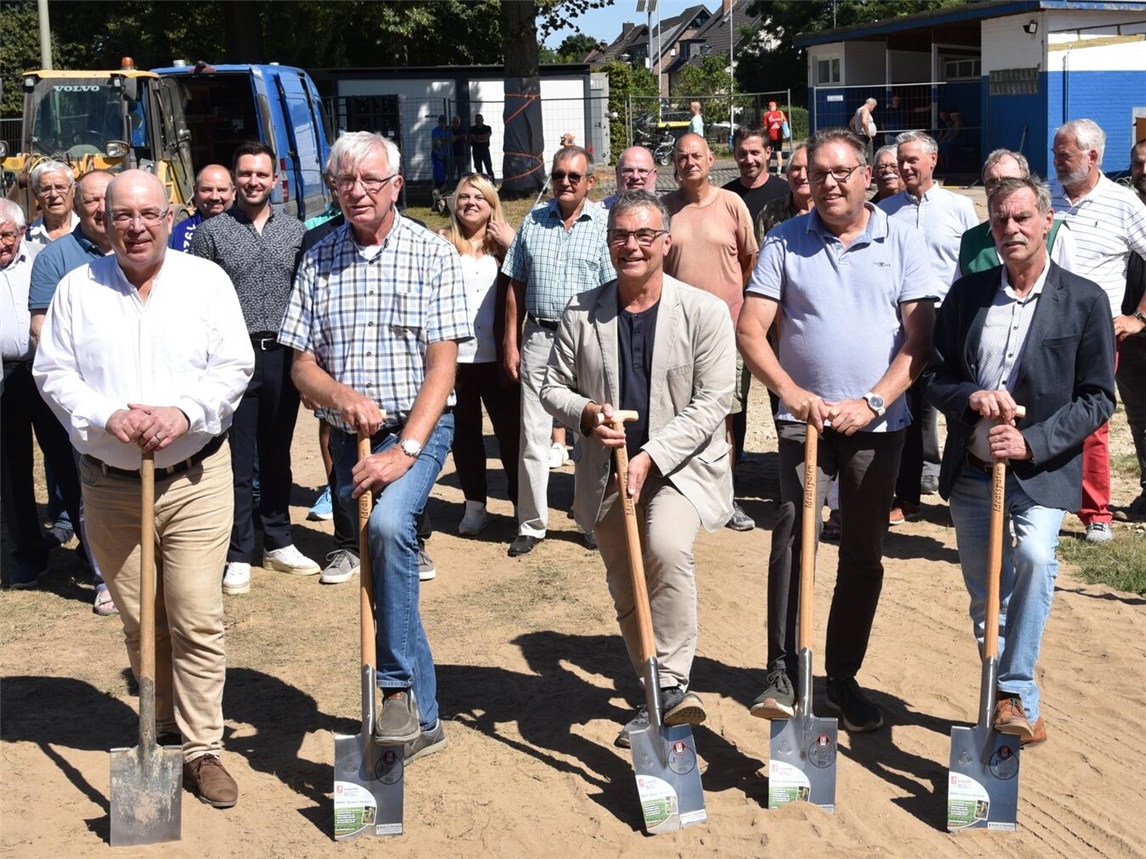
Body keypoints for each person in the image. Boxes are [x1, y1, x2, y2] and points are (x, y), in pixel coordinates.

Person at [33, 169, 254, 807]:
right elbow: (54, 374)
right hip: (109, 484)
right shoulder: (79, 289)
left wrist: (183, 412)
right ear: (103, 220)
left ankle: (205, 747)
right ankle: (158, 732)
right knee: (139, 615)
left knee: (195, 612)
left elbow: (234, 365)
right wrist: (109, 416)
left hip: (194, 476)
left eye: (148, 214)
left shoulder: (204, 282)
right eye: (121, 215)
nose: (135, 226)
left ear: (169, 215)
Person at [737, 127, 937, 731]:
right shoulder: (783, 240)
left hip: (879, 425)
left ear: (866, 177)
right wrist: (791, 394)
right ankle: (782, 669)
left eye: (841, 172)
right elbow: (751, 330)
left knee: (863, 553)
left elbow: (920, 338)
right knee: (794, 536)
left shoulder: (901, 241)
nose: (829, 183)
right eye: (818, 172)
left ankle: (842, 679)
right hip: (806, 425)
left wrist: (874, 401)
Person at [280, 131, 470, 761]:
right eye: (343, 182)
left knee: (389, 529)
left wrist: (405, 449)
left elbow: (443, 370)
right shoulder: (318, 257)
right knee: (385, 570)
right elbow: (301, 365)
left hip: (416, 427)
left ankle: (393, 690)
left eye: (369, 180)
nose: (356, 192)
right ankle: (429, 717)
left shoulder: (431, 254)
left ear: (396, 186)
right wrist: (340, 399)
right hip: (347, 436)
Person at [923, 175, 1116, 748]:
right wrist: (971, 398)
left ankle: (1011, 688)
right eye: (1001, 220)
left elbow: (1099, 397)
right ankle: (1009, 697)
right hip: (974, 470)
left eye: (1021, 218)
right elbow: (936, 375)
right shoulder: (967, 295)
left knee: (1033, 556)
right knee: (987, 594)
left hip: (1042, 469)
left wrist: (1032, 442)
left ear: (1047, 220)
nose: (1010, 229)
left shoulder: (1085, 301)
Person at [539, 190, 735, 747]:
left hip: (680, 467)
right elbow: (551, 387)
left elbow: (714, 399)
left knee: (666, 548)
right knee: (626, 583)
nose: (633, 246)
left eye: (645, 236)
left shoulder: (704, 311)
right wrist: (587, 415)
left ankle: (671, 688)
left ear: (666, 243)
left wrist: (652, 456)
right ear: (608, 244)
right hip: (607, 469)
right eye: (622, 236)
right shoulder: (583, 311)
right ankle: (653, 691)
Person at [190, 141, 318, 594]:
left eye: (261, 174)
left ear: (275, 179)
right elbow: (197, 304)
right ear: (235, 176)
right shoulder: (211, 233)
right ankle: (239, 551)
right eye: (245, 174)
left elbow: (306, 296)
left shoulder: (295, 231)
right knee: (239, 458)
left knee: (277, 451)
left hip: (282, 354)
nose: (253, 182)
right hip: (234, 357)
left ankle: (279, 539)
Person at [502, 145, 614, 557]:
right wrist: (510, 342)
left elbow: (613, 291)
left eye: (573, 176)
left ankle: (587, 519)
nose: (565, 182)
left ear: (589, 182)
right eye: (559, 175)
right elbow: (514, 284)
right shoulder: (532, 221)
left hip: (588, 339)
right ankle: (531, 523)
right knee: (532, 433)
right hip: (539, 337)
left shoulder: (603, 226)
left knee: (589, 434)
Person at [1050, 119, 1146, 543]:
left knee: (1093, 422)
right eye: (1054, 153)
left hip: (1097, 333)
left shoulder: (1123, 204)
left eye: (1063, 154)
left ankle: (1096, 512)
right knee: (1040, 414)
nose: (1056, 161)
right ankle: (1044, 502)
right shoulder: (1046, 198)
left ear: (1092, 157)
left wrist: (1139, 317)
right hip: (1041, 330)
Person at [27, 169, 116, 615]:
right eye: (93, 200)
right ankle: (105, 579)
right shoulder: (55, 258)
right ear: (77, 206)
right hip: (86, 397)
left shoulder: (137, 245)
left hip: (139, 393)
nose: (102, 208)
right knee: (92, 486)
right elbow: (40, 326)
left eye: (108, 198)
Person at [880, 131, 978, 523]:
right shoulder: (885, 210)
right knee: (909, 407)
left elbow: (973, 265)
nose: (905, 167)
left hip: (951, 321)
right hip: (905, 322)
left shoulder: (959, 207)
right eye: (900, 160)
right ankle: (907, 496)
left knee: (957, 406)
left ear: (933, 160)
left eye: (912, 160)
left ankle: (959, 493)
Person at [662, 132, 758, 532]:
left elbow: (749, 260)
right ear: (674, 164)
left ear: (711, 158)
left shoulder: (731, 204)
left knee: (725, 417)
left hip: (727, 332)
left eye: (696, 155)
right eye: (681, 157)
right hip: (676, 332)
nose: (689, 162)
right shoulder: (665, 208)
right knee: (678, 413)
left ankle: (725, 498)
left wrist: (727, 306)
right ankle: (681, 493)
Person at [442, 173, 520, 536]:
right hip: (455, 361)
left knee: (509, 433)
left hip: (499, 359)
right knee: (465, 434)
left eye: (479, 197)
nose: (471, 203)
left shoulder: (504, 247)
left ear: (492, 205)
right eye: (464, 197)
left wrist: (513, 245)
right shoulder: (442, 244)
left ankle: (522, 504)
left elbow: (530, 279)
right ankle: (475, 505)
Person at [958, 149, 1076, 278]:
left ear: (1027, 182)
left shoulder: (1057, 234)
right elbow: (960, 295)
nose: (1000, 187)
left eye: (1009, 181)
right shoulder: (971, 240)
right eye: (992, 182)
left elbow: (1069, 290)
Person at [1116, 139, 1146, 520]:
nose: (1144, 170)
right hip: (1129, 334)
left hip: (1136, 321)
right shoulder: (1126, 207)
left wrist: (1140, 315)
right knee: (1139, 418)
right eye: (1138, 163)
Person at [722, 127, 788, 224]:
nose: (749, 160)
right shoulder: (724, 197)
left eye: (755, 153)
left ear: (768, 153)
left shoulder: (787, 194)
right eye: (742, 154)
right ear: (735, 155)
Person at [169, 164, 235, 252]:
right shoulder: (176, 234)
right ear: (195, 192)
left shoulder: (249, 230)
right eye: (207, 190)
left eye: (221, 190)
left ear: (233, 193)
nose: (214, 197)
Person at [24, 160, 79, 246]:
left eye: (60, 187)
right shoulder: (25, 238)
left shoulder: (90, 233)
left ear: (74, 190)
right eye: (46, 189)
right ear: (35, 194)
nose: (53, 194)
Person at [849, 98, 878, 164]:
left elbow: (851, 123)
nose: (872, 110)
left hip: (860, 136)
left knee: (862, 154)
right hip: (865, 137)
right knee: (869, 156)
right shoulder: (865, 110)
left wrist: (855, 132)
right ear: (871, 105)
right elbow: (864, 122)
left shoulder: (858, 111)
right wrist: (868, 135)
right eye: (873, 107)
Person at [762, 100, 788, 174]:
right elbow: (785, 123)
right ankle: (778, 171)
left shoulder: (766, 115)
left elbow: (764, 127)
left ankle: (766, 171)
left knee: (768, 154)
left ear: (769, 107)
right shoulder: (780, 114)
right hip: (778, 137)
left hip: (769, 137)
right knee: (779, 154)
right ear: (775, 107)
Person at [469, 113, 495, 181]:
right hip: (476, 150)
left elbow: (487, 136)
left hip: (485, 150)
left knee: (489, 167)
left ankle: (492, 183)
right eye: (477, 119)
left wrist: (478, 137)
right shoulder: (472, 128)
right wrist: (483, 139)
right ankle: (480, 183)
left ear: (483, 120)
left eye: (480, 119)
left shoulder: (487, 128)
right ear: (475, 120)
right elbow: (473, 138)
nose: (478, 121)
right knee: (478, 169)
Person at [431, 114, 451, 195]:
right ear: (438, 122)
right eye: (441, 121)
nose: (443, 123)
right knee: (438, 174)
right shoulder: (435, 131)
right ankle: (436, 192)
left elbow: (452, 139)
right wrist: (446, 140)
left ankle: (445, 191)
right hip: (437, 155)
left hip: (447, 154)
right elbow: (436, 142)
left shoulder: (449, 130)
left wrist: (442, 140)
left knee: (447, 173)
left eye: (444, 122)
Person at [450, 116, 468, 182]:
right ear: (452, 122)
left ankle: (460, 186)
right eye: (454, 121)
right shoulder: (449, 129)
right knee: (451, 172)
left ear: (459, 122)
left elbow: (465, 138)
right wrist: (459, 137)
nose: (456, 123)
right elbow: (449, 139)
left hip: (461, 153)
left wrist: (455, 137)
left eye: (457, 122)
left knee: (462, 172)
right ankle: (451, 186)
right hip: (452, 154)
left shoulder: (462, 129)